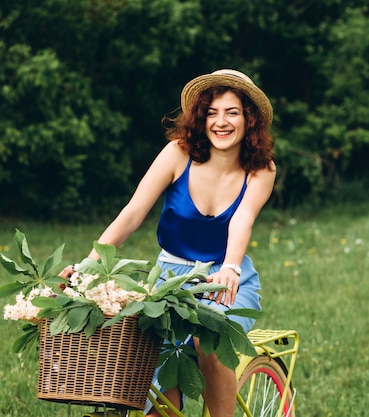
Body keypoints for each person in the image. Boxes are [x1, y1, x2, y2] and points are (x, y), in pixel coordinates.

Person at [61, 69, 275, 417]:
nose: (221, 122)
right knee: (155, 366)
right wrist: (89, 265)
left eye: (232, 112)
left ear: (248, 119)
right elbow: (133, 213)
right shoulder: (178, 153)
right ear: (201, 116)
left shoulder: (260, 168)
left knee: (209, 336)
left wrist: (232, 266)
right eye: (212, 112)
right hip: (168, 282)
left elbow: (242, 219)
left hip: (225, 280)